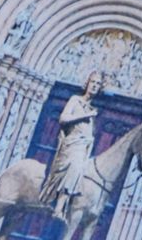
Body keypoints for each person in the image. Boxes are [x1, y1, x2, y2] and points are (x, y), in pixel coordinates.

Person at [41, 72, 104, 207]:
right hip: (71, 146)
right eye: (92, 82)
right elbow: (63, 119)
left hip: (84, 148)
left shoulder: (92, 109)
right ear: (87, 83)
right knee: (76, 166)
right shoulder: (75, 100)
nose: (94, 85)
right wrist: (85, 116)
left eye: (98, 84)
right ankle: (59, 206)